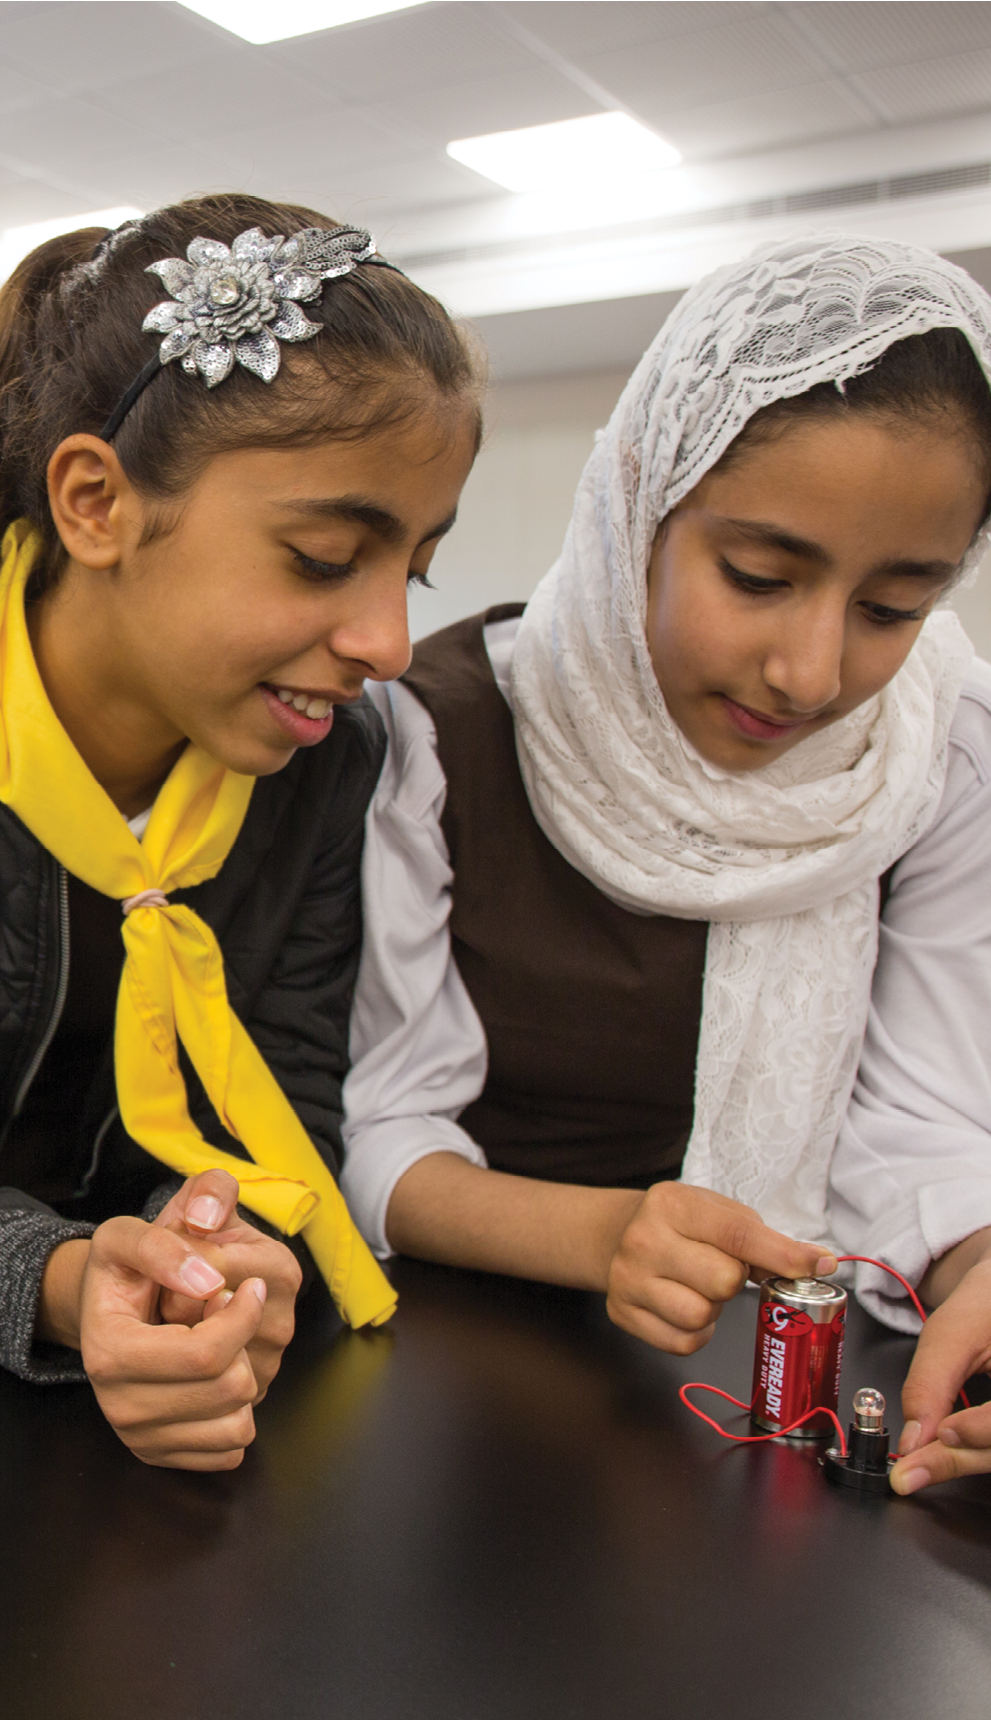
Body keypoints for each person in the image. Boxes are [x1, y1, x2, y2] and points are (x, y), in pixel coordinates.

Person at [342, 233, 991, 1500]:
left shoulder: (955, 743)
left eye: (892, 609)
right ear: (637, 507)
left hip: (799, 1408)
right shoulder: (433, 730)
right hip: (477, 1406)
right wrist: (603, 1230)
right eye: (758, 577)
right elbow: (380, 1131)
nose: (811, 672)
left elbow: (934, 1110)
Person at [0, 194, 480, 1469]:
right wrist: (60, 1276)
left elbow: (280, 1075)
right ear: (96, 503)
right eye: (327, 557)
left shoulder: (330, 757)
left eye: (414, 571)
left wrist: (211, 1247)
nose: (387, 643)